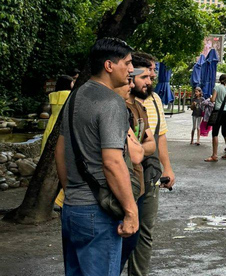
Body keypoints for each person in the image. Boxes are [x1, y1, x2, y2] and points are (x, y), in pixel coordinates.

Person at [55, 38, 138, 276]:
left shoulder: (75, 97)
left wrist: (71, 190)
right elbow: (112, 162)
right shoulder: (111, 102)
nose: (131, 69)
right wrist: (131, 211)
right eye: (128, 62)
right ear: (110, 66)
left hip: (73, 209)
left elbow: (59, 150)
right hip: (98, 214)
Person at [126, 52, 175, 276]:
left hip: (150, 173)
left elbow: (160, 136)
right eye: (146, 73)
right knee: (121, 228)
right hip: (124, 173)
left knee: (145, 231)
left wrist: (168, 168)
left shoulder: (154, 100)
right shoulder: (121, 100)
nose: (151, 78)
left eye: (153, 73)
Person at [119, 71, 156, 271]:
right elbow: (135, 154)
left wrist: (139, 148)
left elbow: (152, 145)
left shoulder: (140, 107)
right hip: (125, 186)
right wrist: (141, 148)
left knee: (134, 242)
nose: (149, 82)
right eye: (145, 76)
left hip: (138, 184)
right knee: (121, 247)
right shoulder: (119, 109)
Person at [43, 75, 74, 153]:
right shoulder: (71, 94)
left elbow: (50, 110)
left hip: (53, 121)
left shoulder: (52, 95)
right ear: (69, 84)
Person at [206, 74, 226, 162]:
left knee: (215, 133)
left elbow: (213, 99)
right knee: (225, 132)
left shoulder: (217, 88)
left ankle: (214, 155)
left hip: (218, 111)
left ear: (220, 80)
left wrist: (210, 98)